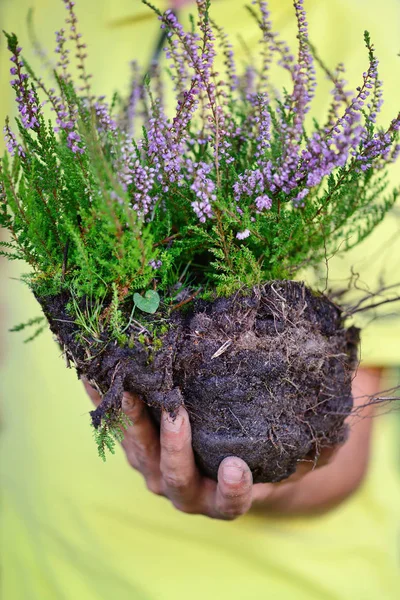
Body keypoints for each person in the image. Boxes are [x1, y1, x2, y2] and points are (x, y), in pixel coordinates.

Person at [1, 0, 400, 598]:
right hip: (34, 563)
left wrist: (265, 472)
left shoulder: (368, 24)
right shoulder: (30, 13)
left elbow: (345, 437)